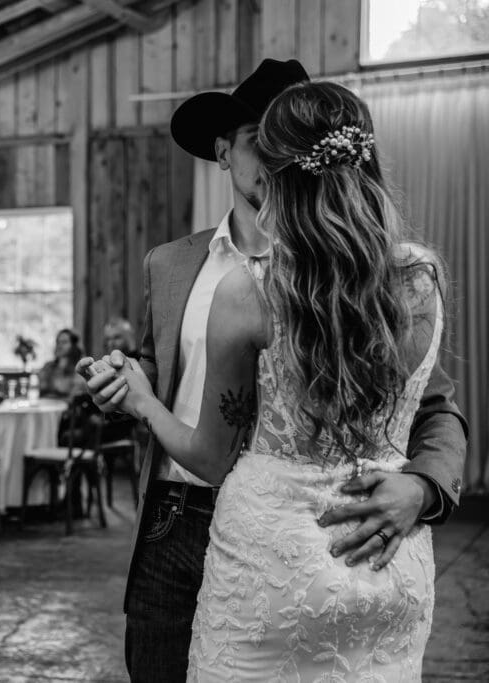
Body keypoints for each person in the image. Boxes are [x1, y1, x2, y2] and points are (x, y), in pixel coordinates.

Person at [79, 60, 467, 682]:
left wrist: (424, 488)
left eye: (283, 143)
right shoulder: (172, 264)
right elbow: (160, 366)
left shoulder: (268, 288)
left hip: (307, 528)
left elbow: (435, 405)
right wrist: (122, 377)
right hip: (178, 517)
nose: (271, 157)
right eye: (259, 140)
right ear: (224, 152)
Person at [37, 329, 86, 398]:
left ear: (74, 345)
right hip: (46, 405)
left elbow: (74, 396)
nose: (59, 346)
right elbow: (40, 389)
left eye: (64, 342)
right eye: (58, 342)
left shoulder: (79, 368)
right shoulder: (48, 366)